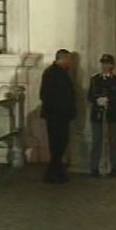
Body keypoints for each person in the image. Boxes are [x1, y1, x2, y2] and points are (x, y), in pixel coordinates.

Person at [39, 49, 76, 183]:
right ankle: (53, 172)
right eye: (69, 59)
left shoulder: (57, 72)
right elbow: (47, 95)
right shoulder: (53, 73)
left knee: (60, 143)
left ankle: (56, 171)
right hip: (57, 115)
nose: (70, 62)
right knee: (58, 143)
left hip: (59, 115)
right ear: (63, 59)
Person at [87, 54, 116, 177]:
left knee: (113, 141)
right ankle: (94, 167)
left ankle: (114, 167)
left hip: (112, 114)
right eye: (103, 63)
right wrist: (97, 100)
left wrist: (109, 100)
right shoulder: (94, 79)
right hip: (97, 114)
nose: (104, 66)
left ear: (112, 65)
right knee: (96, 141)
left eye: (107, 63)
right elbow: (90, 96)